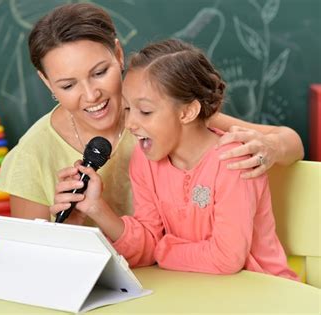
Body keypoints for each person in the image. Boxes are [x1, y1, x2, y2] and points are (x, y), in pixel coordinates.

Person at [0, 3, 304, 225]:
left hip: (181, 277)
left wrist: (271, 148)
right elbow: (35, 262)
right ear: (46, 81)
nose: (91, 95)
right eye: (67, 84)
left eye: (100, 72)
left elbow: (291, 143)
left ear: (118, 54)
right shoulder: (33, 155)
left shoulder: (164, 113)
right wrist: (70, 223)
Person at [51, 38, 298, 280]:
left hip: (262, 289)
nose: (131, 124)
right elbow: (147, 245)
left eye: (145, 111)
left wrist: (163, 251)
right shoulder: (145, 159)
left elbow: (226, 258)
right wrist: (97, 208)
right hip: (196, 289)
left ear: (188, 111)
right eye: (127, 109)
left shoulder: (234, 160)